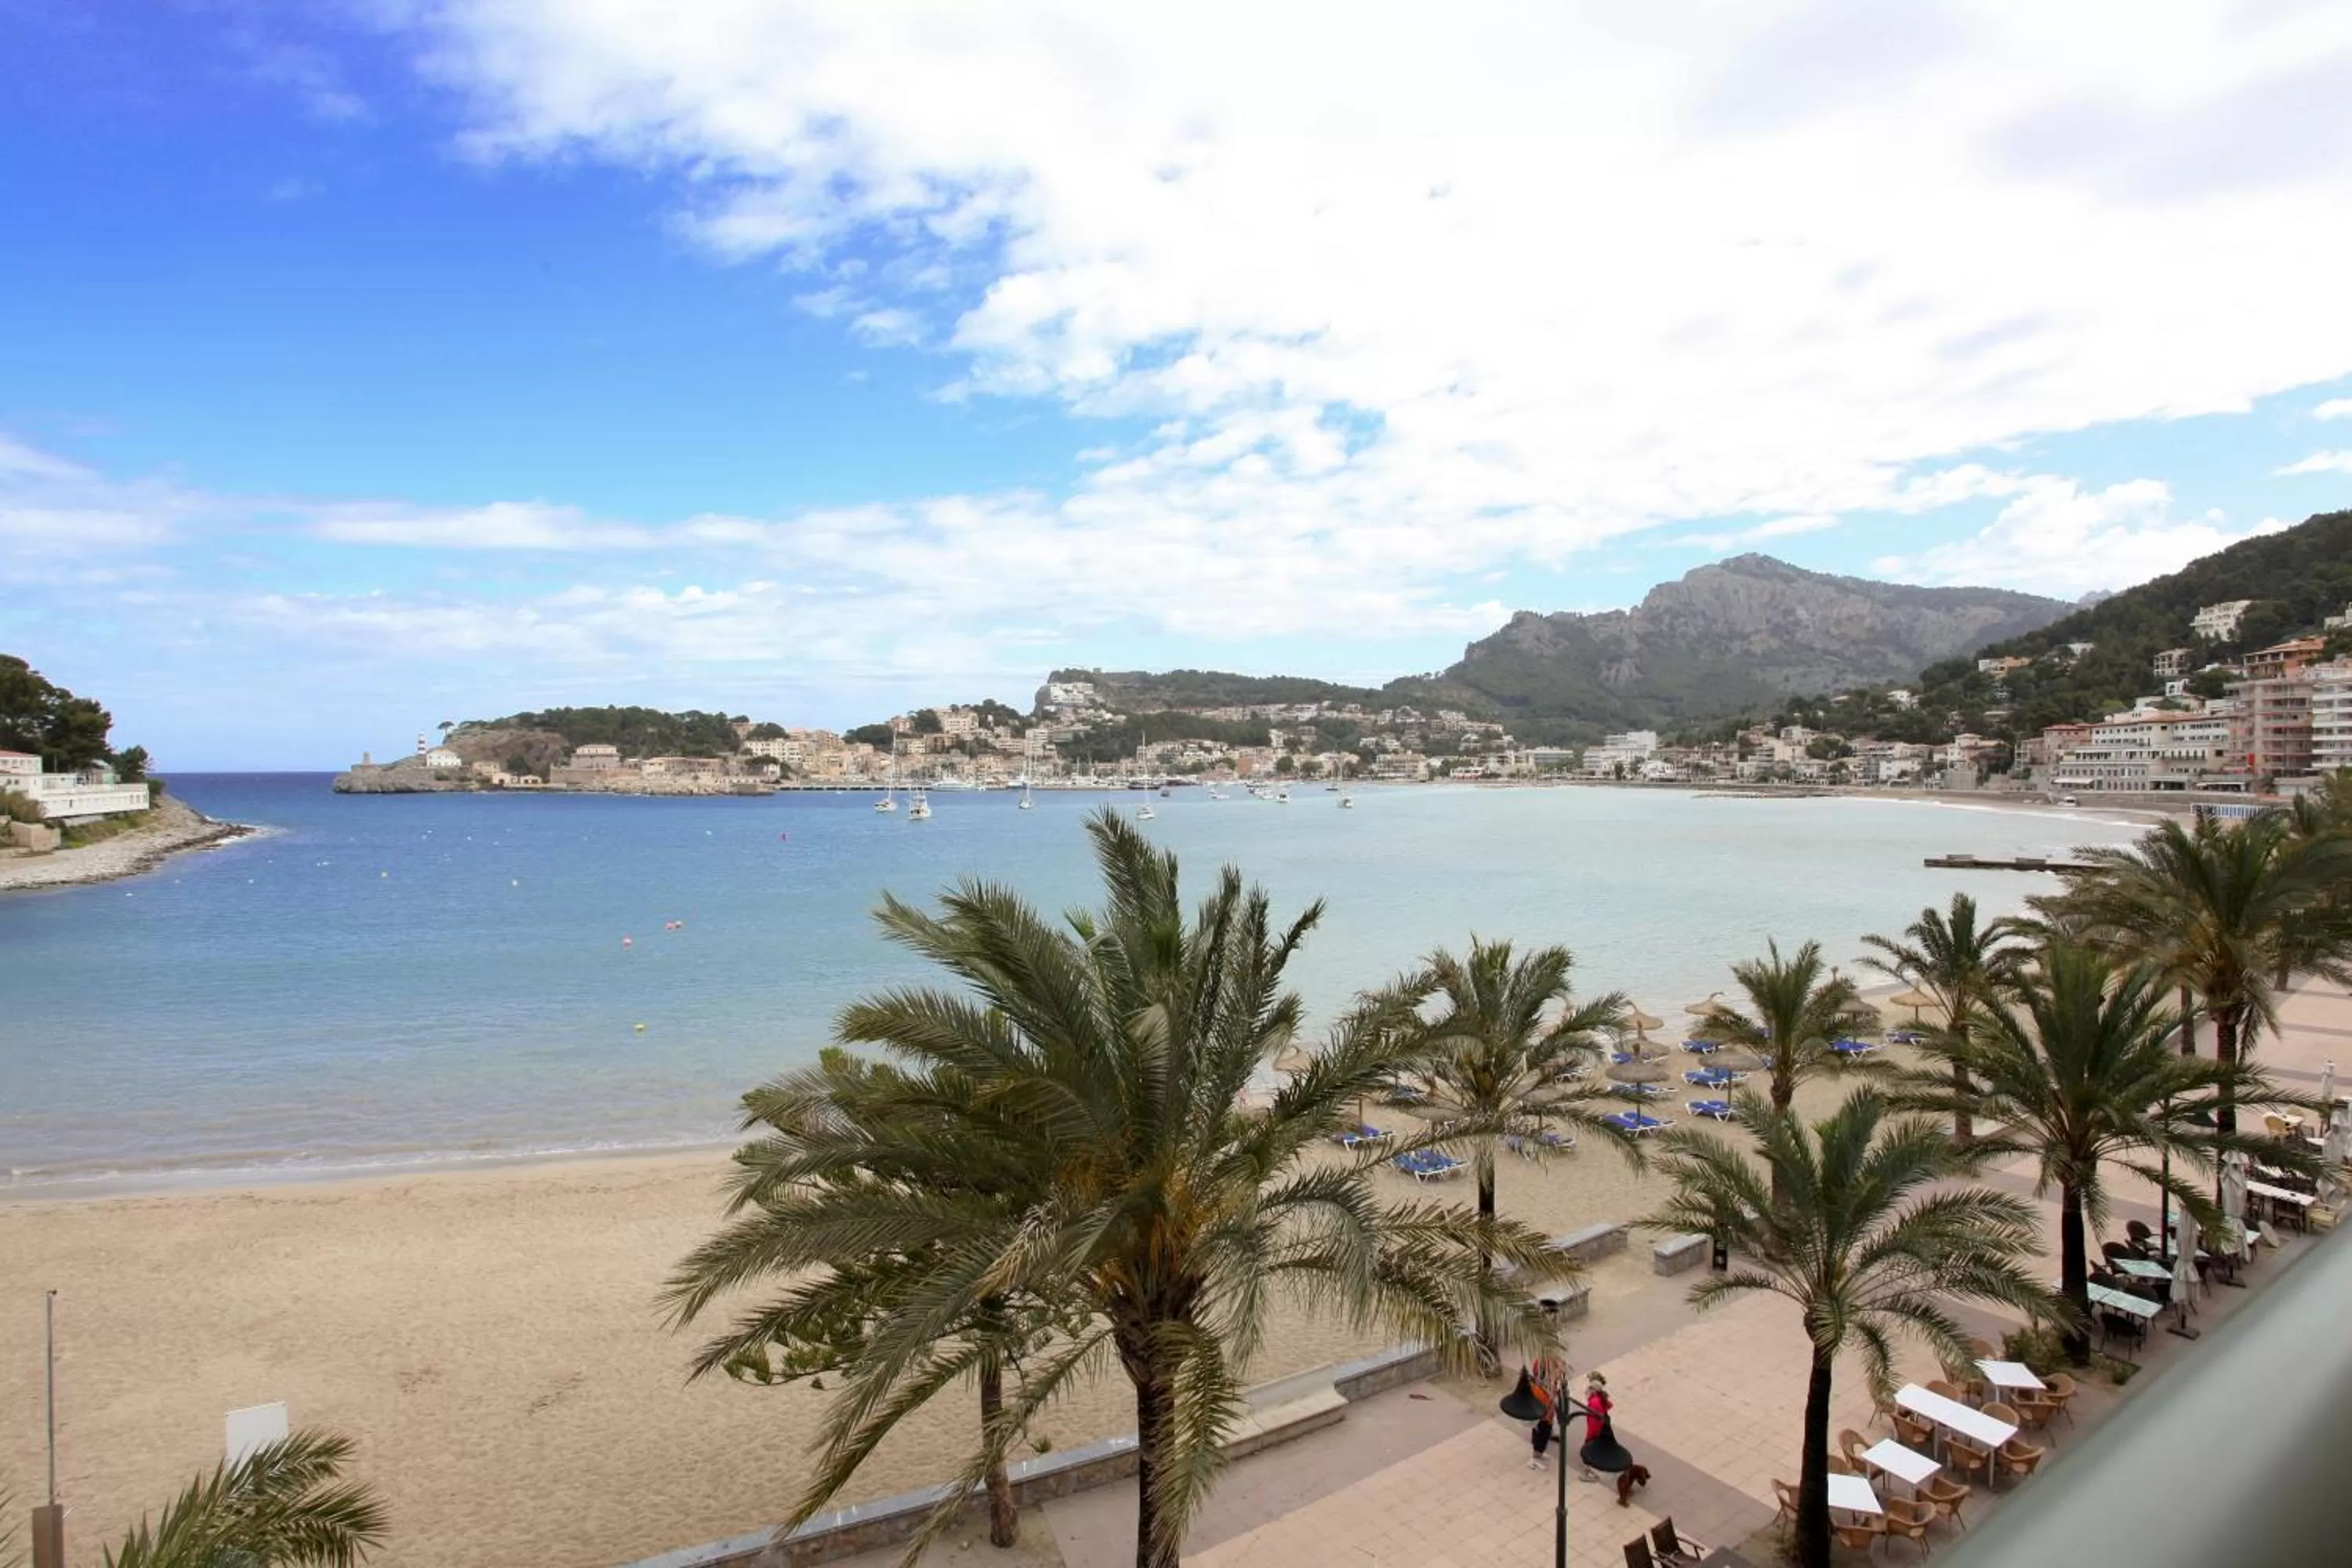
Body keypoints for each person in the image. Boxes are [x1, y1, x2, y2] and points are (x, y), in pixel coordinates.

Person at [1577, 1371, 1613, 1482]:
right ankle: (1590, 1469)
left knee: (1588, 1452)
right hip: (1600, 1429)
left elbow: (1593, 1422)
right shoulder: (1600, 1398)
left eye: (1590, 1388)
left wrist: (1591, 1435)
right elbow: (1608, 1406)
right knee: (1591, 1451)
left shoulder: (1594, 1402)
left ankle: (1587, 1474)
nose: (1587, 1390)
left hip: (1595, 1432)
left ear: (1594, 1390)